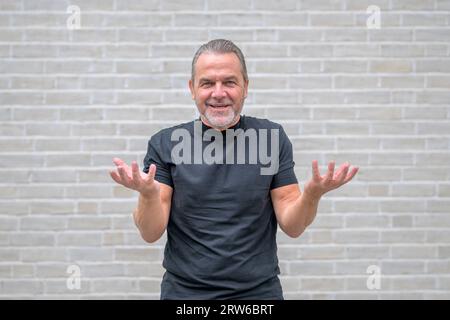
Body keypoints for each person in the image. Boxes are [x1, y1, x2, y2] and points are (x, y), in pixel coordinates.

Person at [109, 39, 359, 299]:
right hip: (185, 296)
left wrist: (311, 195)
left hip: (258, 296)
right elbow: (150, 232)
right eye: (207, 83)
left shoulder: (271, 137)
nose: (218, 93)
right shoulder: (165, 143)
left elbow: (293, 226)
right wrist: (148, 195)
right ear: (192, 88)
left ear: (245, 87)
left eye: (229, 82)